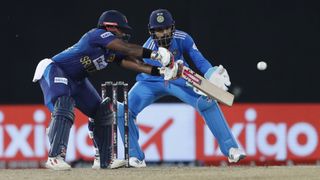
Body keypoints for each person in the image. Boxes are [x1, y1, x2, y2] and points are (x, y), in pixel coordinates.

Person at [95, 9, 246, 168]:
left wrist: (211, 73)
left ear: (172, 27)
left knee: (207, 102)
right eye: (159, 30)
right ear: (152, 31)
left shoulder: (183, 38)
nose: (164, 33)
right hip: (151, 81)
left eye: (167, 28)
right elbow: (149, 69)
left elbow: (199, 60)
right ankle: (135, 156)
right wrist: (166, 67)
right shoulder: (148, 49)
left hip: (179, 79)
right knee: (123, 111)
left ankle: (231, 149)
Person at [32, 10, 179, 171]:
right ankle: (55, 157)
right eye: (122, 30)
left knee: (102, 112)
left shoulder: (111, 50)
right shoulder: (97, 34)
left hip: (77, 79)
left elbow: (134, 63)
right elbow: (127, 48)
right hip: (55, 69)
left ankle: (103, 160)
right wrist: (156, 55)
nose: (124, 34)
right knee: (64, 103)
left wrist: (160, 71)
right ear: (111, 27)